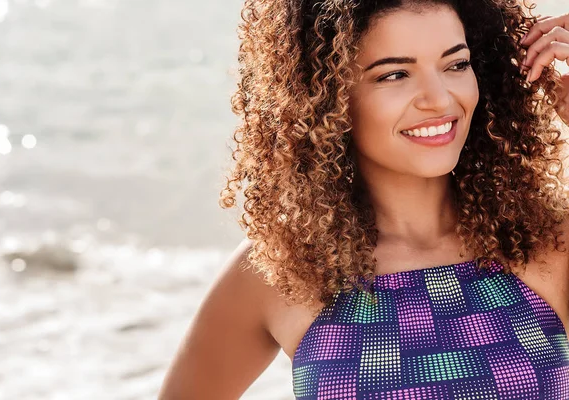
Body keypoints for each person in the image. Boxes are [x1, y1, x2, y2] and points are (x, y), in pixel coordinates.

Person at [160, 0, 569, 398]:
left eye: (456, 64)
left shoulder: (550, 243)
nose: (440, 99)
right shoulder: (284, 269)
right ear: (326, 98)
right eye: (394, 75)